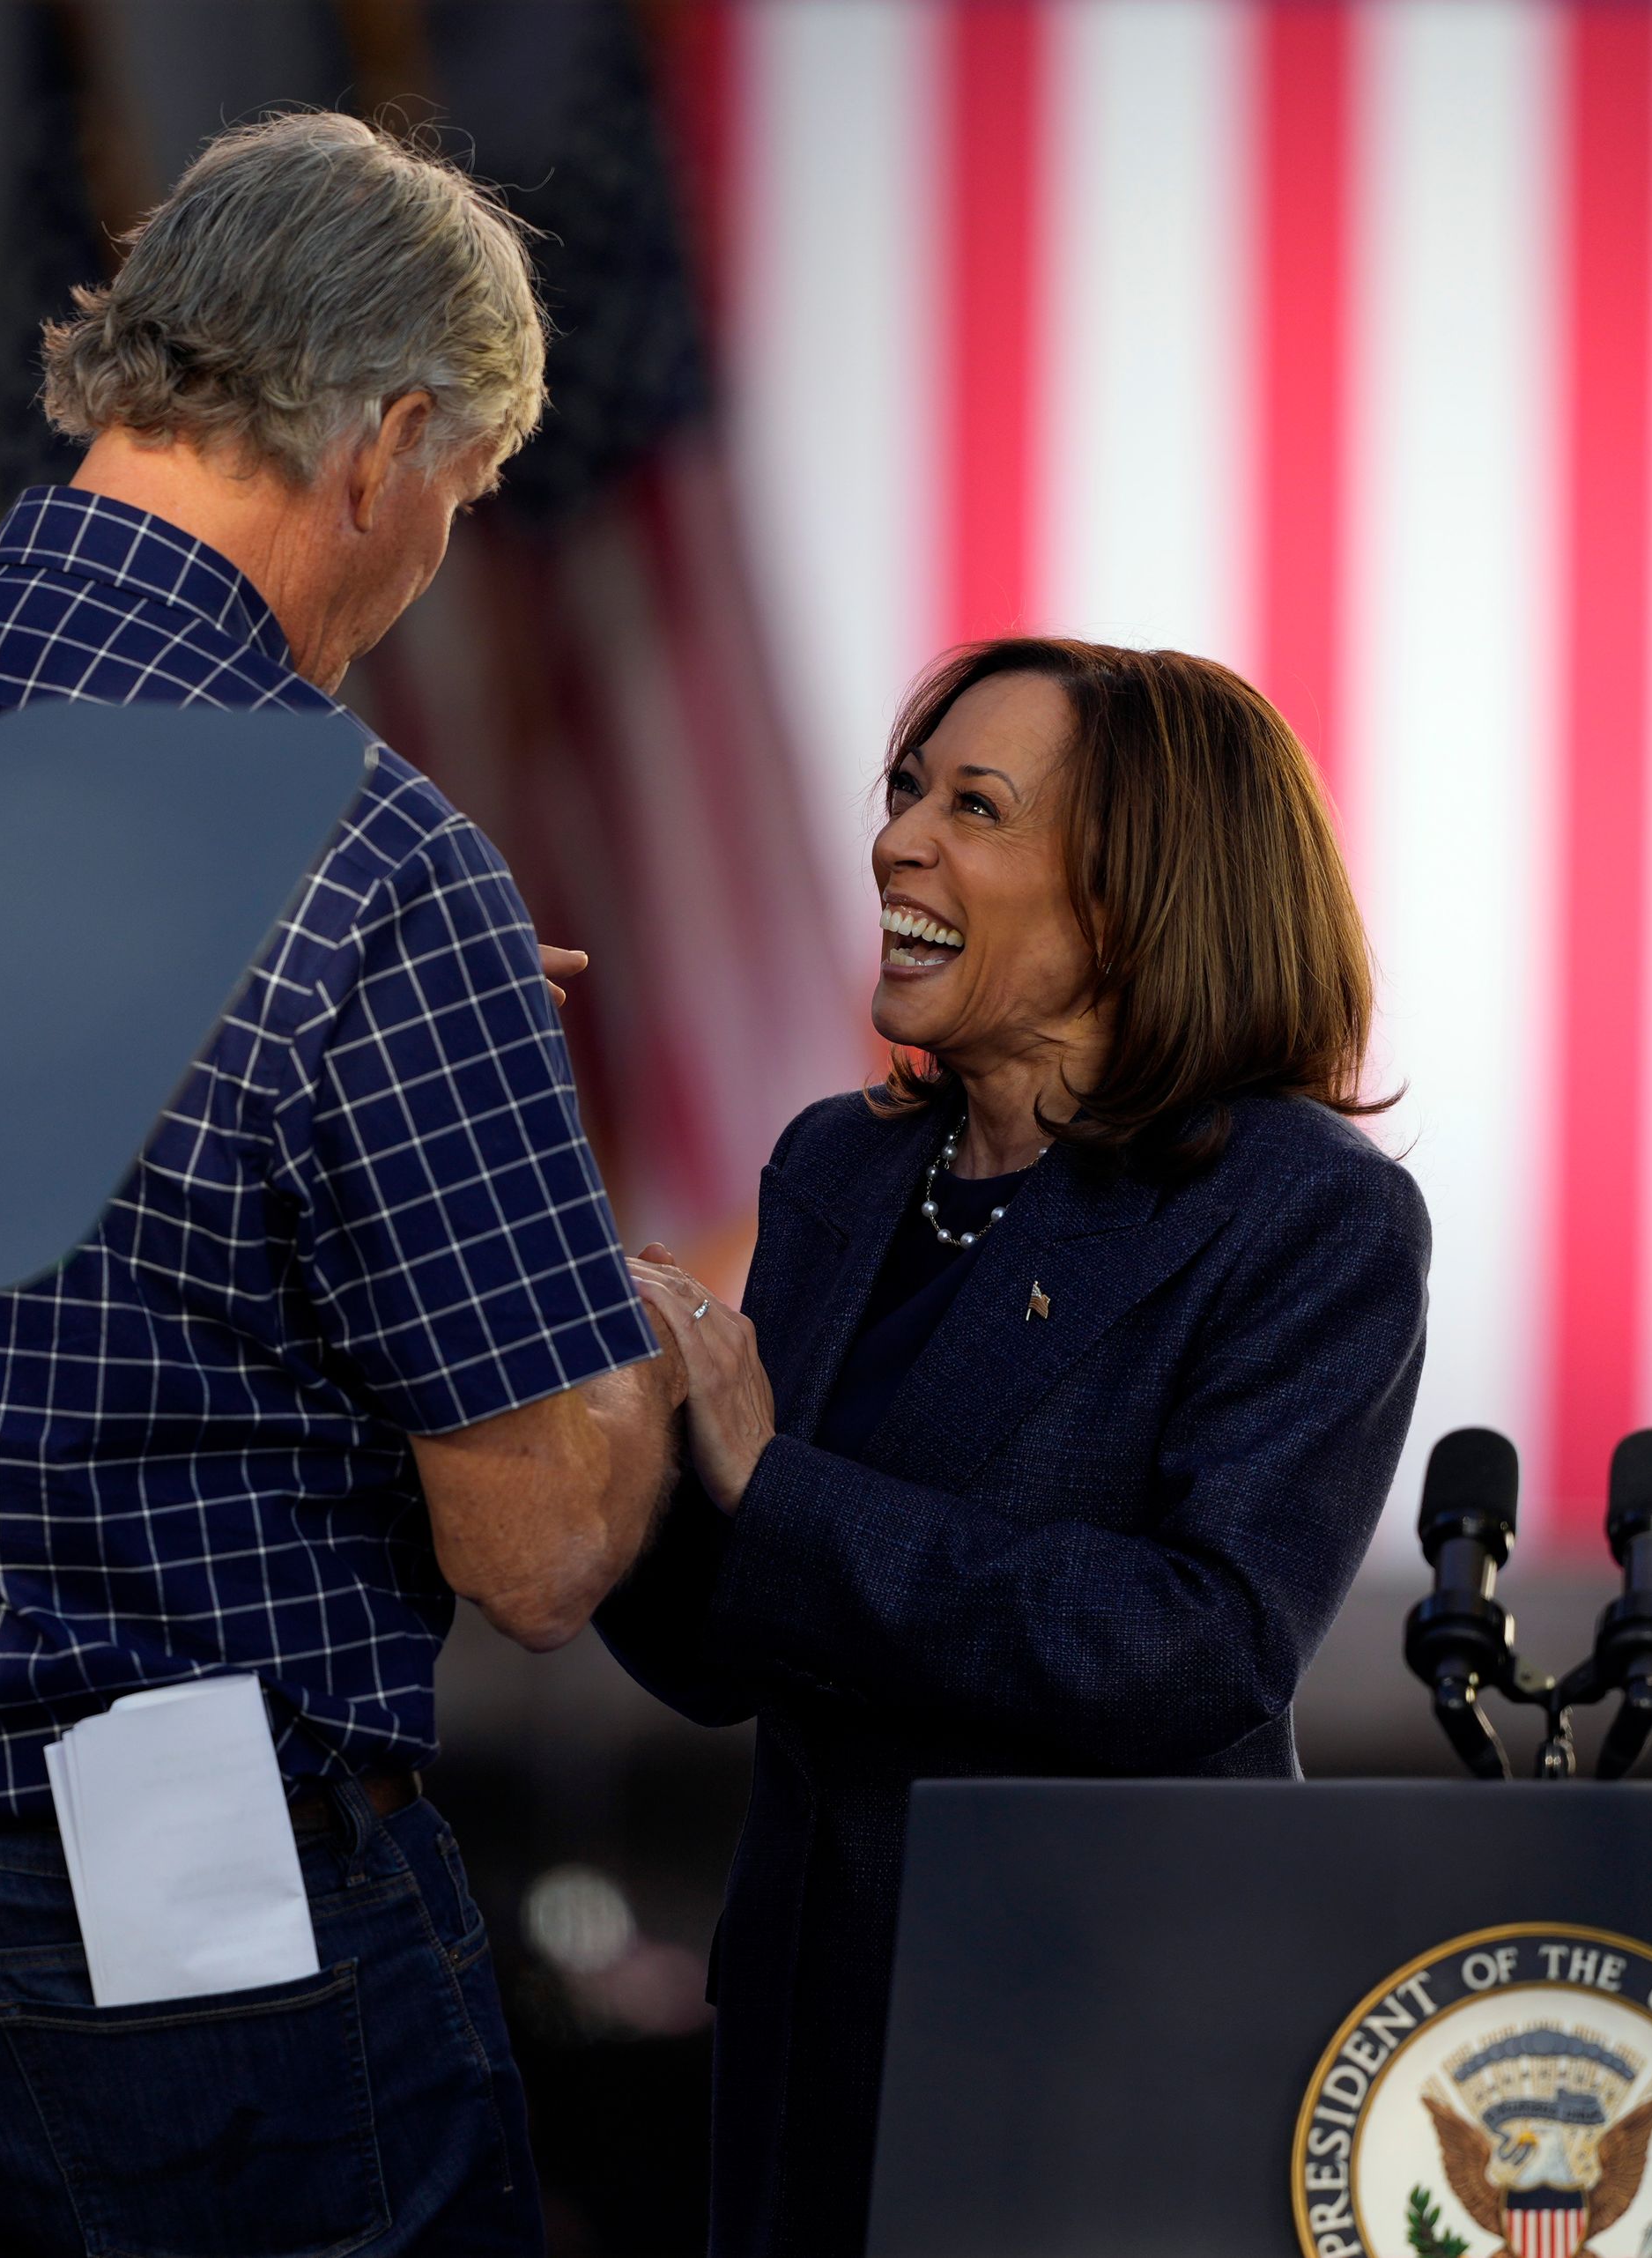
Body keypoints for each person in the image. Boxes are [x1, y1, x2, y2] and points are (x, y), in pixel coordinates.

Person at [0, 113, 686, 2255]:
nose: (437, 548)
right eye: (457, 492)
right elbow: (538, 1548)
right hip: (173, 1917)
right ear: (387, 440)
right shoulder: (379, 860)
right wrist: (638, 1345)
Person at [600, 639, 1433, 2257]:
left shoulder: (1302, 1214)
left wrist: (776, 1485)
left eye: (973, 808)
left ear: (1137, 898)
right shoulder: (841, 1166)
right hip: (808, 2036)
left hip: (1098, 2053)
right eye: (909, 791)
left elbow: (1196, 1647)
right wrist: (594, 1451)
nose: (898, 841)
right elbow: (730, 1643)